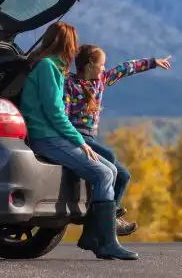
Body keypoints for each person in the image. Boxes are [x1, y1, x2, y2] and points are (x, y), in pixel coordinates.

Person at [19, 22, 138, 260]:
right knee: (104, 174)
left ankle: (95, 236)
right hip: (47, 137)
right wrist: (80, 142)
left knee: (112, 170)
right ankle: (105, 242)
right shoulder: (48, 68)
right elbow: (55, 113)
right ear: (67, 43)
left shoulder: (51, 68)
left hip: (53, 135)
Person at [64, 44, 172, 235]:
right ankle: (106, 219)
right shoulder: (69, 85)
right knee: (110, 157)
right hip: (78, 138)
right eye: (102, 65)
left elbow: (125, 68)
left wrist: (153, 62)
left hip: (91, 138)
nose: (105, 68)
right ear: (90, 65)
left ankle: (110, 214)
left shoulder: (101, 81)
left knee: (124, 175)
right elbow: (63, 116)